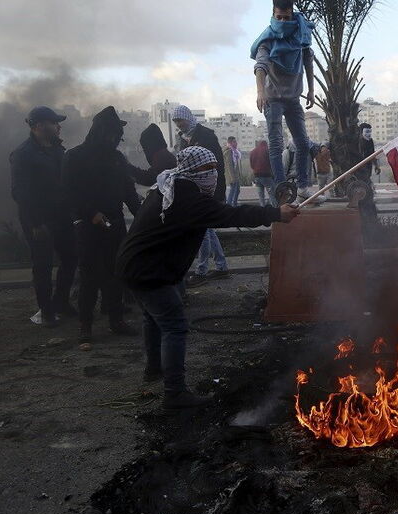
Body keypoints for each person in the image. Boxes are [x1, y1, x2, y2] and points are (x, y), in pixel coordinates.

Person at [116, 146, 299, 409]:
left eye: (215, 168)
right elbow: (230, 215)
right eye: (207, 169)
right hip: (148, 271)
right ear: (192, 170)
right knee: (174, 325)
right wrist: (275, 214)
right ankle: (175, 393)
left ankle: (154, 370)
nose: (213, 175)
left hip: (137, 265)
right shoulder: (185, 198)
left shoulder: (172, 186)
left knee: (153, 319)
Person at [62, 106, 141, 348]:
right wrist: (90, 213)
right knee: (89, 277)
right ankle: (85, 326)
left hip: (115, 223)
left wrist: (142, 216)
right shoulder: (74, 157)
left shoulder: (117, 158)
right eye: (112, 134)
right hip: (88, 226)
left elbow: (129, 191)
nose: (116, 139)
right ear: (100, 132)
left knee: (117, 273)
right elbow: (69, 193)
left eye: (118, 135)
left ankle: (116, 320)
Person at [9, 106, 78, 327]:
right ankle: (47, 311)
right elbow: (21, 193)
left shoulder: (58, 149)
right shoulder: (23, 154)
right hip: (40, 220)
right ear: (39, 126)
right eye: (54, 122)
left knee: (70, 258)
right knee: (43, 265)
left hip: (62, 216)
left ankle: (61, 301)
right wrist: (36, 223)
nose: (58, 126)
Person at [251, 0, 323, 204]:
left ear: (292, 14)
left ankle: (302, 188)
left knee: (302, 143)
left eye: (286, 17)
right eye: (279, 17)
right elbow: (260, 66)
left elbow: (309, 61)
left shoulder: (301, 35)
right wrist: (260, 92)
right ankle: (282, 191)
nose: (282, 22)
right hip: (273, 99)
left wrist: (311, 90)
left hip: (293, 99)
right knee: (276, 144)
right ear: (273, 15)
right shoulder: (268, 39)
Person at [171, 104, 229, 285]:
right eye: (176, 121)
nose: (178, 124)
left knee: (201, 230)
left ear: (188, 118)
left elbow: (217, 164)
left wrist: (219, 191)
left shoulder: (206, 135)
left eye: (180, 120)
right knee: (207, 228)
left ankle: (202, 271)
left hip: (207, 189)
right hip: (192, 190)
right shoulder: (181, 139)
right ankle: (221, 267)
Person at [249, 140, 277, 206]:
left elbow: (251, 165)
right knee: (272, 193)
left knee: (261, 195)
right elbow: (271, 163)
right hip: (266, 175)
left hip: (256, 176)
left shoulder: (253, 152)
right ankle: (274, 209)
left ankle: (262, 209)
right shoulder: (267, 150)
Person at [224, 136, 241, 206]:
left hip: (235, 175)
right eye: (234, 142)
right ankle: (229, 205)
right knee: (233, 191)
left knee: (237, 190)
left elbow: (236, 165)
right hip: (232, 176)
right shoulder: (229, 152)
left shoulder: (235, 152)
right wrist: (232, 178)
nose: (236, 143)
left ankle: (234, 204)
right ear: (230, 143)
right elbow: (229, 166)